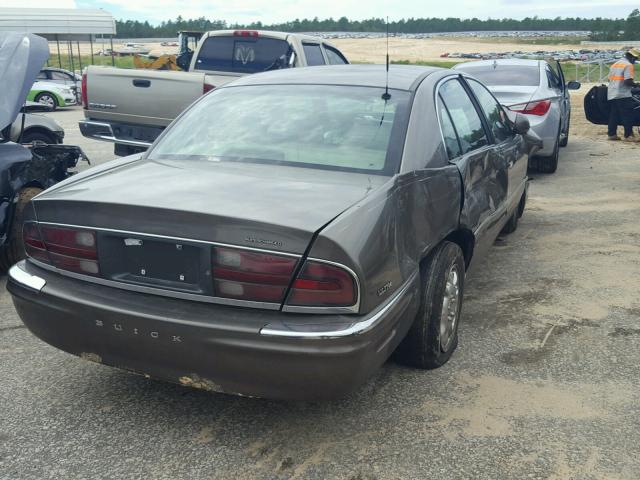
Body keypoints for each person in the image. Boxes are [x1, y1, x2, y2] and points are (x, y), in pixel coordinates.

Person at [608, 48, 640, 142]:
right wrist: (636, 85)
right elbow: (627, 81)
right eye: (635, 59)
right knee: (627, 114)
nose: (635, 61)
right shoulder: (628, 65)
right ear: (632, 57)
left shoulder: (615, 64)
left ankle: (612, 134)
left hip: (612, 93)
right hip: (623, 94)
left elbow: (609, 80)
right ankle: (628, 135)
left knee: (614, 114)